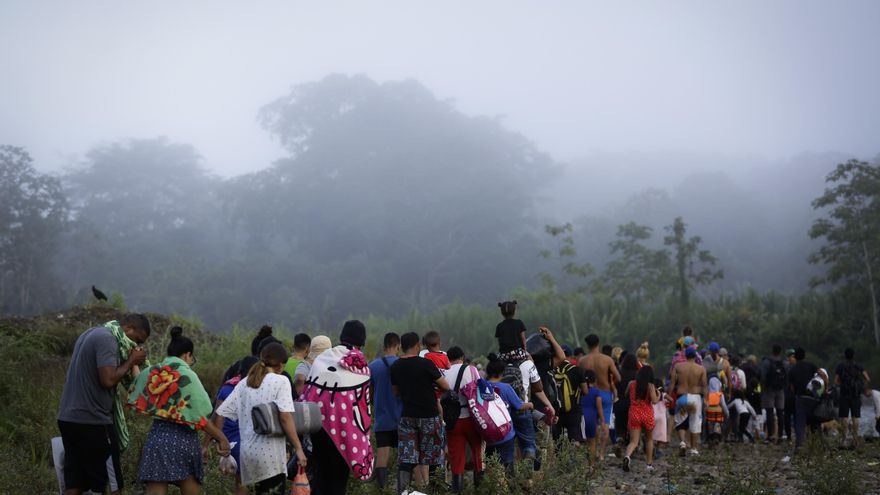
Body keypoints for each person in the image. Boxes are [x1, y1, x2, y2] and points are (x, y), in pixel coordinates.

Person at [128, 327, 231, 495]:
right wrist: (222, 438)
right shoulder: (188, 376)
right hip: (183, 443)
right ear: (186, 355)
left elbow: (137, 382)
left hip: (157, 441)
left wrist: (133, 363)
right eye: (192, 358)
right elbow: (199, 418)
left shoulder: (155, 372)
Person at [57, 314, 150, 495]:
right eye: (138, 340)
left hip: (68, 419)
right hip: (93, 421)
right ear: (128, 328)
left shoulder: (90, 333)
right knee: (113, 483)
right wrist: (132, 360)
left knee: (75, 483)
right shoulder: (107, 339)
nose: (137, 346)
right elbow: (107, 380)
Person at [214, 343, 307, 495]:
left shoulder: (245, 383)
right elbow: (285, 417)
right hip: (271, 458)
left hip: (247, 456)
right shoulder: (281, 381)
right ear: (281, 365)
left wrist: (220, 440)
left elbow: (221, 413)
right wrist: (298, 448)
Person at [302, 321, 374, 495]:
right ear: (361, 342)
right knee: (338, 482)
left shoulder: (323, 358)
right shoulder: (360, 365)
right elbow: (362, 405)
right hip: (344, 433)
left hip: (317, 429)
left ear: (341, 337)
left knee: (320, 479)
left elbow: (308, 391)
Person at [391, 332, 450, 494]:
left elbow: (395, 392)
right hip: (429, 416)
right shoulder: (426, 364)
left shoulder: (395, 366)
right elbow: (445, 386)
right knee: (434, 457)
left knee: (407, 458)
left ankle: (402, 491)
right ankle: (435, 490)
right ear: (417, 345)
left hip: (407, 417)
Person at [208, 355, 259, 495]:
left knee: (240, 482)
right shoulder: (252, 388)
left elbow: (216, 416)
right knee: (245, 484)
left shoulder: (228, 386)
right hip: (244, 442)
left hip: (229, 440)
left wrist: (217, 440)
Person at [485, 355, 534, 476]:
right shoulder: (506, 388)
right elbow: (519, 405)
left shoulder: (481, 387)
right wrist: (531, 405)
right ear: (502, 373)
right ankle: (511, 487)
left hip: (487, 432)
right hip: (505, 433)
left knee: (490, 463)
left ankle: (491, 487)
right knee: (507, 462)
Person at [445, 346, 484, 492]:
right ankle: (480, 489)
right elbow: (479, 391)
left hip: (452, 421)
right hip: (471, 418)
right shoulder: (472, 370)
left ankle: (458, 490)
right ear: (462, 357)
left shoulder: (443, 372)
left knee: (457, 458)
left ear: (448, 358)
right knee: (477, 454)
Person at [368, 332, 403, 490]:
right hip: (402, 418)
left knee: (382, 455)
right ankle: (403, 489)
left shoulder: (373, 366)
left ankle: (381, 490)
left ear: (383, 347)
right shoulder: (402, 364)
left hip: (382, 418)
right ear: (398, 346)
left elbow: (369, 393)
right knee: (405, 457)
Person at [579, 334, 620, 460]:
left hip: (589, 393)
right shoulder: (607, 360)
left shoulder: (582, 361)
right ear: (598, 343)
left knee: (592, 422)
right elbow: (618, 377)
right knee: (605, 424)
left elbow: (579, 379)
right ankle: (602, 454)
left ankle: (594, 450)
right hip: (605, 393)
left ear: (587, 345)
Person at [670, 346, 707, 457]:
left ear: (685, 355)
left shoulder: (678, 366)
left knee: (680, 422)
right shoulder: (701, 369)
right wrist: (707, 399)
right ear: (695, 356)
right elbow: (705, 386)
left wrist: (668, 395)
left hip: (682, 397)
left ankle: (682, 442)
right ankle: (694, 449)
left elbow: (672, 383)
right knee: (695, 423)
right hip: (695, 398)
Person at [622, 366, 659, 473]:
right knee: (649, 440)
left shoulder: (631, 383)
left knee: (633, 441)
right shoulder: (650, 386)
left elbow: (626, 394)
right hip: (647, 414)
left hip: (634, 413)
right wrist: (658, 394)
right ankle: (649, 464)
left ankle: (627, 457)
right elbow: (655, 401)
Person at [835, 348, 871, 447]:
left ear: (845, 355)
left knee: (844, 417)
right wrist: (860, 387)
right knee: (856, 416)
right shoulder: (858, 366)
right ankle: (855, 438)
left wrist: (842, 385)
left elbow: (836, 381)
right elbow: (867, 378)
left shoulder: (840, 366)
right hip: (855, 395)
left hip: (844, 395)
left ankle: (844, 439)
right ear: (853, 355)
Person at [553, 346, 588, 445]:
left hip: (557, 411)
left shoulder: (553, 370)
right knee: (575, 438)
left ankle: (560, 459)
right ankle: (574, 459)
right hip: (574, 410)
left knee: (557, 440)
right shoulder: (577, 370)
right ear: (571, 356)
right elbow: (585, 391)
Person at [786, 347, 818, 452]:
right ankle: (815, 444)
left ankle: (799, 445)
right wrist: (825, 389)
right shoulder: (811, 366)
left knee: (800, 422)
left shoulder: (792, 370)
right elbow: (822, 375)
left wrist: (796, 393)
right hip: (812, 397)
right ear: (805, 356)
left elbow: (791, 387)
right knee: (814, 420)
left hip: (800, 398)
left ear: (795, 357)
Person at [760, 345, 787, 443]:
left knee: (769, 412)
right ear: (780, 352)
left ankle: (770, 435)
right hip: (780, 390)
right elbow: (787, 375)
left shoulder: (766, 362)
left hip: (769, 389)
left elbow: (763, 376)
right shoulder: (784, 363)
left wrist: (763, 388)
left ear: (772, 351)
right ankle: (780, 435)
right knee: (780, 413)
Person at [614, 353, 639, 457]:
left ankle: (619, 440)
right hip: (632, 404)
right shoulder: (637, 374)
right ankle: (631, 449)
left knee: (620, 426)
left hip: (619, 403)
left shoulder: (619, 373)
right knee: (632, 428)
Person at [580, 369, 605, 461]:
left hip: (581, 418)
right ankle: (591, 465)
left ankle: (583, 464)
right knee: (592, 441)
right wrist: (602, 420)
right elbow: (599, 407)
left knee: (584, 441)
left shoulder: (580, 391)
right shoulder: (596, 391)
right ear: (594, 380)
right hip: (591, 418)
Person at [705, 376, 729, 446]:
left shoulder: (707, 394)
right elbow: (723, 405)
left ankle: (710, 438)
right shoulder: (720, 394)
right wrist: (727, 413)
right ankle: (717, 437)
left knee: (710, 425)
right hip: (718, 414)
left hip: (709, 414)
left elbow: (705, 404)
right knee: (717, 424)